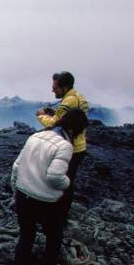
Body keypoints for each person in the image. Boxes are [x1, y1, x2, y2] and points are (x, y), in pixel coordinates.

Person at [11, 109, 89, 265]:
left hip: (24, 196)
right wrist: (67, 186)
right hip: (46, 201)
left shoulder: (34, 137)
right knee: (54, 236)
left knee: (26, 236)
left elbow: (16, 167)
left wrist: (15, 192)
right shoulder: (64, 146)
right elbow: (55, 176)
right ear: (74, 130)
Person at [36, 71, 89, 221]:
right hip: (79, 146)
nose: (53, 90)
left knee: (63, 182)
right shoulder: (78, 97)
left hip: (69, 147)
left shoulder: (67, 102)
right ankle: (60, 213)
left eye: (56, 88)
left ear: (65, 88)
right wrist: (56, 113)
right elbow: (72, 120)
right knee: (68, 179)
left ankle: (59, 215)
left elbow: (55, 124)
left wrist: (41, 116)